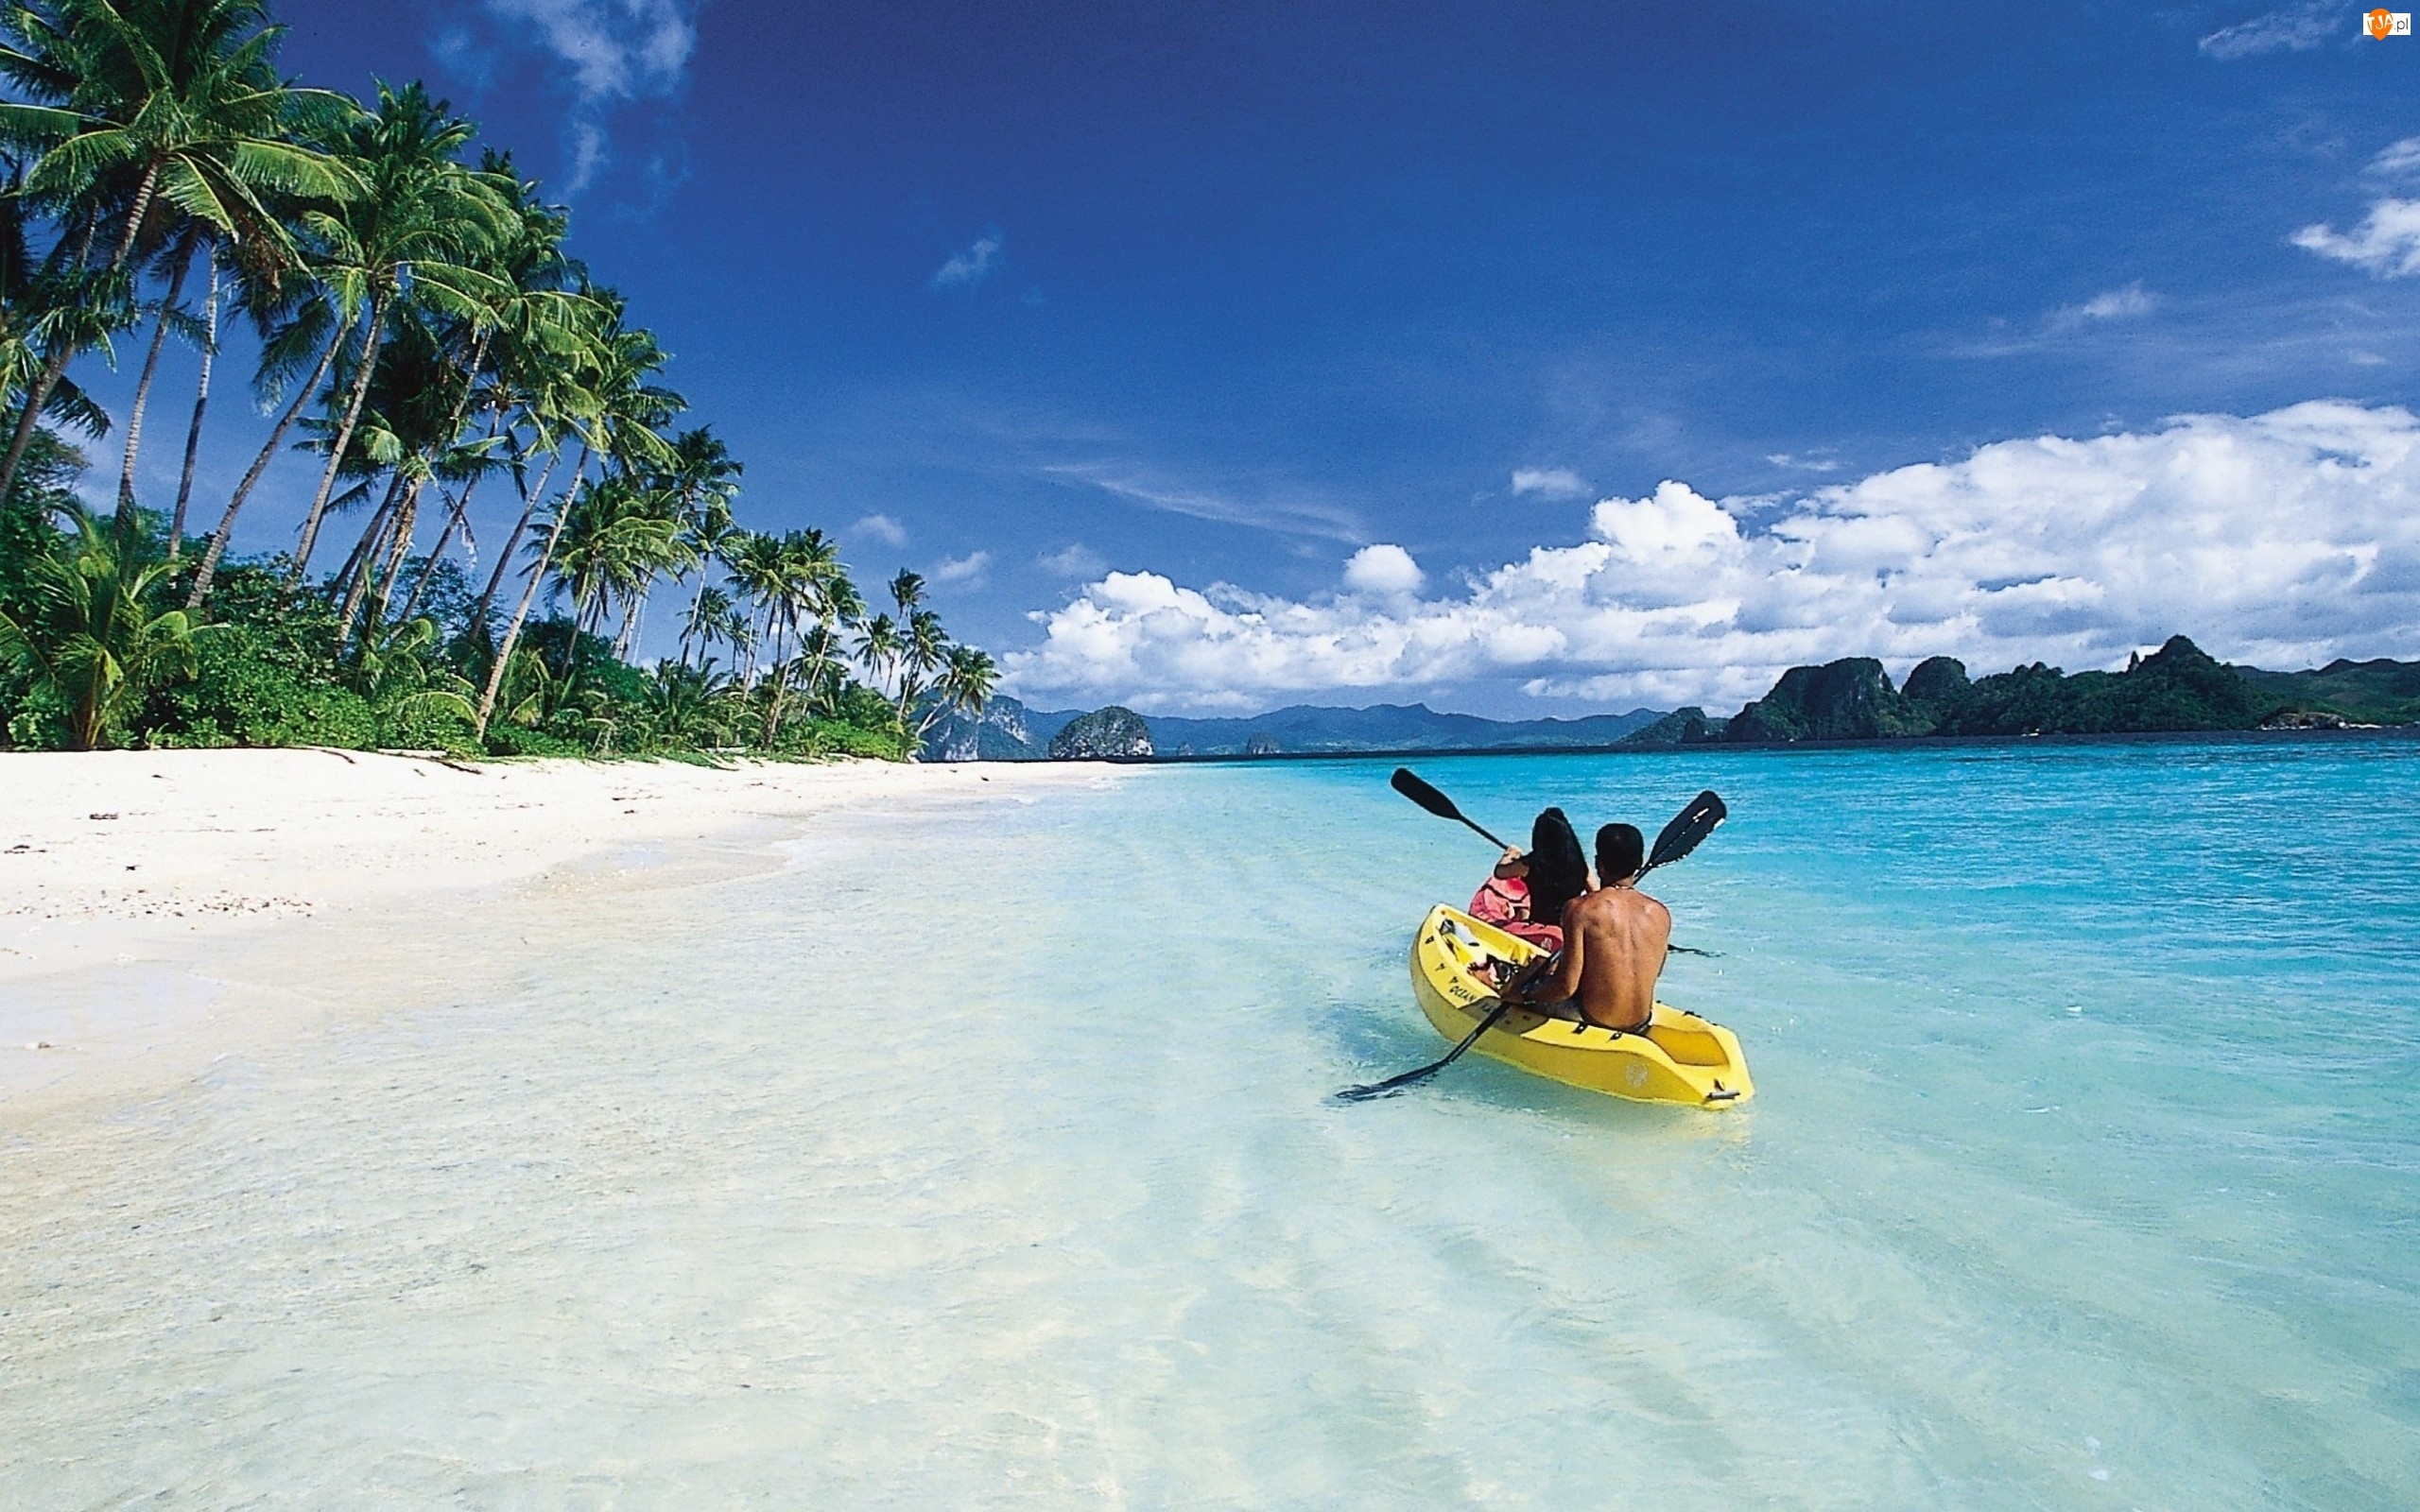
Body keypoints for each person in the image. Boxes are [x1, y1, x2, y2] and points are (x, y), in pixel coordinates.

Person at [1503, 821, 1669, 1034]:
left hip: (1592, 1018)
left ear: (1598, 863)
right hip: (1642, 1020)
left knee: (1531, 971)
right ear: (1639, 862)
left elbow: (1565, 987)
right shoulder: (1660, 913)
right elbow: (1654, 971)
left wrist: (1524, 993)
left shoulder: (1580, 909)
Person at [1470, 808, 1590, 952]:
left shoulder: (1531, 864)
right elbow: (1594, 892)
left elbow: (1499, 872)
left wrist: (1509, 855)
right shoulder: (1580, 864)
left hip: (1538, 929)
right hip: (1569, 928)